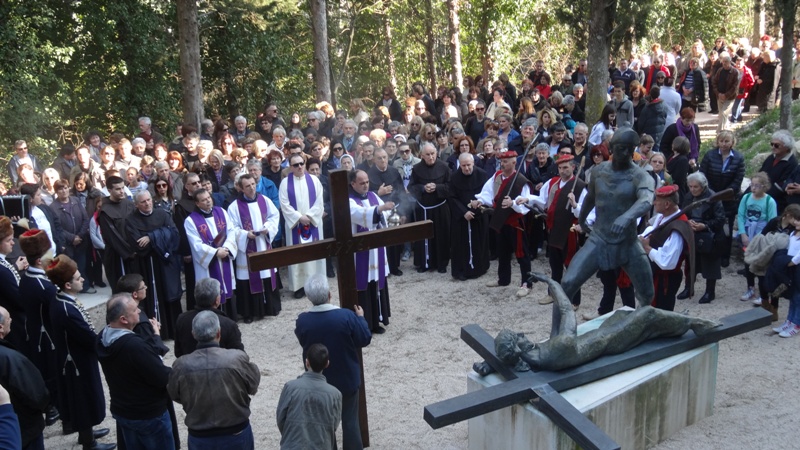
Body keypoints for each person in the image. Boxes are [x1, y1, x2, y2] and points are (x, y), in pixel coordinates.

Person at [485, 271, 719, 373]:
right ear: (517, 349)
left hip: (605, 332)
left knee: (624, 316)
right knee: (647, 314)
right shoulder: (557, 348)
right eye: (518, 337)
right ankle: (693, 323)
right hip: (614, 340)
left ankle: (676, 322)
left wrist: (488, 366)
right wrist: (550, 281)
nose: (522, 334)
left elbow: (506, 360)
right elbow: (566, 309)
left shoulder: (534, 356)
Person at [557, 129, 656, 317]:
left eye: (630, 149)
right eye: (621, 148)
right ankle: (559, 329)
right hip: (599, 238)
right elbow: (591, 197)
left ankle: (642, 323)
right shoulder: (599, 171)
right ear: (611, 148)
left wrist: (627, 216)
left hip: (628, 242)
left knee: (647, 293)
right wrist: (582, 218)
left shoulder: (640, 176)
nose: (625, 153)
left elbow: (646, 199)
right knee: (568, 283)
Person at [44, 255, 114, 450]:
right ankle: (88, 442)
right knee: (83, 399)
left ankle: (87, 432)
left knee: (85, 397)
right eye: (77, 278)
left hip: (78, 357)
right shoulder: (65, 309)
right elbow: (87, 336)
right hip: (76, 361)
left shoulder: (64, 300)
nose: (82, 279)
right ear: (67, 285)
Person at [294, 274, 371, 450]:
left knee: (324, 425)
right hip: (346, 379)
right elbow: (364, 338)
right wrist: (360, 318)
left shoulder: (303, 321)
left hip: (319, 381)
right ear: (329, 294)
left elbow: (303, 340)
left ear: (309, 298)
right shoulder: (346, 316)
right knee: (350, 423)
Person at [168, 310, 260, 449]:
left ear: (194, 334)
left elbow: (174, 393)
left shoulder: (181, 365)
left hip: (200, 435)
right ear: (219, 333)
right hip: (235, 432)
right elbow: (253, 385)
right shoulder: (237, 359)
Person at [96, 294, 174, 450]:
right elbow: (161, 376)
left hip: (123, 411)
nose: (139, 311)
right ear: (123, 319)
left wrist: (155, 338)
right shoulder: (134, 346)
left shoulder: (102, 338)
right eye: (135, 309)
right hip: (147, 415)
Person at [520, 154, 587, 307]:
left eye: (566, 167)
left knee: (571, 267)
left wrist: (575, 204)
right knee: (555, 265)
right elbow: (542, 200)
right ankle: (553, 294)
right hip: (553, 229)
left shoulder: (580, 186)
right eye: (560, 168)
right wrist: (528, 199)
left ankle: (574, 301)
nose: (562, 171)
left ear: (573, 167)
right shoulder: (552, 183)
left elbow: (585, 212)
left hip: (569, 231)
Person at [124, 191, 183, 339]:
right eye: (143, 202)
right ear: (136, 205)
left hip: (166, 263)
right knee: (152, 295)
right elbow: (138, 245)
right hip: (147, 264)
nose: (147, 203)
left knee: (170, 294)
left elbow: (174, 234)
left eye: (149, 200)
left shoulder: (162, 214)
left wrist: (151, 237)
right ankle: (158, 332)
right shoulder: (131, 220)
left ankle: (174, 330)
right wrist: (160, 237)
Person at [473, 151, 532, 296]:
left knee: (521, 253)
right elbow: (488, 193)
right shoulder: (497, 176)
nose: (502, 164)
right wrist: (480, 200)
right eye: (501, 161)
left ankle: (527, 283)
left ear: (514, 162)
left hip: (515, 222)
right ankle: (503, 279)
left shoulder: (520, 181)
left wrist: (513, 203)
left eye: (506, 161)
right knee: (502, 252)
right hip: (500, 220)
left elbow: (525, 203)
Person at [16, 229, 59, 428]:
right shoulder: (42, 285)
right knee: (52, 374)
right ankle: (54, 409)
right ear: (40, 260)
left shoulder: (28, 278)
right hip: (47, 336)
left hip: (37, 333)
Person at [227, 173, 281, 322]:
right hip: (246, 250)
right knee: (248, 279)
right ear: (240, 188)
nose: (251, 188)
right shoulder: (234, 207)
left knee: (266, 274)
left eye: (253, 184)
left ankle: (270, 307)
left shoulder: (265, 200)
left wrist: (267, 228)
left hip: (263, 244)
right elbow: (232, 228)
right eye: (247, 186)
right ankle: (249, 313)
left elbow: (274, 216)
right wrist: (245, 235)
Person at [348, 170, 394, 334]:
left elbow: (385, 212)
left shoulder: (373, 196)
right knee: (364, 285)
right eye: (362, 183)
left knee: (377, 282)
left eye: (367, 182)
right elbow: (358, 214)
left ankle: (378, 320)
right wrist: (379, 209)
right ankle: (365, 323)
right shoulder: (349, 200)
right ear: (353, 184)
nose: (366, 185)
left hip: (377, 249)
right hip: (361, 252)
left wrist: (384, 210)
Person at [0, 305, 49, 450]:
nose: (11, 320)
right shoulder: (10, 358)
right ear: (1, 327)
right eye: (8, 319)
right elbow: (36, 395)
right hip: (24, 430)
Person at [276, 343, 342, 450]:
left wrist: (290, 437)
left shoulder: (290, 387)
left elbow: (281, 419)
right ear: (327, 364)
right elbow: (333, 425)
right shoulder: (335, 394)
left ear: (307, 362)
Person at [184, 188, 238, 318]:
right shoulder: (191, 221)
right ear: (197, 203)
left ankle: (230, 318)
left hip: (224, 255)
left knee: (227, 286)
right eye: (203, 200)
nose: (208, 201)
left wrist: (226, 248)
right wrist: (215, 252)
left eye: (209, 198)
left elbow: (231, 231)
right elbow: (196, 244)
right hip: (209, 264)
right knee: (211, 292)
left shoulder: (222, 212)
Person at [279, 153, 326, 298]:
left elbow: (319, 201)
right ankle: (299, 286)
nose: (299, 167)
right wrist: (299, 218)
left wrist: (309, 217)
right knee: (298, 254)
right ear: (290, 167)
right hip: (295, 226)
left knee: (314, 253)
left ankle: (318, 285)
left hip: (313, 224)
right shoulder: (285, 183)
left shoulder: (314, 180)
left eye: (301, 163)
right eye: (296, 165)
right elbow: (284, 205)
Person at [699, 130, 745, 267]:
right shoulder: (710, 155)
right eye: (721, 141)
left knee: (726, 229)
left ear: (732, 142)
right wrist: (712, 193)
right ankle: (709, 253)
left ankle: (725, 256)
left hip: (729, 199)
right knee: (710, 224)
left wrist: (724, 193)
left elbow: (738, 179)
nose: (724, 144)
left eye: (727, 141)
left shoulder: (738, 158)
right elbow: (703, 174)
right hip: (711, 197)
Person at [408, 142, 451, 273]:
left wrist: (437, 187)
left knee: (441, 236)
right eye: (427, 154)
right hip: (423, 208)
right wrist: (423, 188)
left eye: (433, 154)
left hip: (440, 207)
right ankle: (424, 263)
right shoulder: (416, 169)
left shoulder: (444, 167)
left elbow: (451, 186)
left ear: (436, 153)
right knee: (423, 236)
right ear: (422, 155)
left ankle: (441, 263)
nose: (431, 157)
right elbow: (411, 187)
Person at [174, 278, 243, 357]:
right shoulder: (229, 325)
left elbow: (178, 353)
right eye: (220, 293)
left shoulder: (182, 320)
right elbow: (239, 356)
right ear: (217, 300)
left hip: (189, 364)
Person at [448, 153, 490, 281]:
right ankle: (462, 270)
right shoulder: (454, 177)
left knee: (479, 242)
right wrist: (464, 212)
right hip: (461, 217)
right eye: (463, 166)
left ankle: (479, 268)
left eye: (468, 165)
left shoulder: (482, 175)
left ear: (473, 163)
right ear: (459, 165)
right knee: (461, 244)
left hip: (478, 216)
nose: (466, 168)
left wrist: (477, 208)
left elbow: (487, 194)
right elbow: (452, 197)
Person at [737, 172, 777, 304]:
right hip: (748, 232)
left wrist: (761, 237)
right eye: (752, 185)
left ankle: (763, 293)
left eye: (757, 186)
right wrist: (743, 233)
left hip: (761, 235)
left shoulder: (769, 201)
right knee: (748, 261)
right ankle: (750, 288)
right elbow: (741, 216)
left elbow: (772, 222)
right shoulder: (746, 197)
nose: (753, 188)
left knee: (760, 264)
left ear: (764, 186)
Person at [367, 148, 407, 276]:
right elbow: (365, 195)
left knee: (394, 240)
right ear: (374, 160)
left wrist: (403, 213)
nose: (383, 160)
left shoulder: (394, 171)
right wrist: (378, 193)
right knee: (382, 241)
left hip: (395, 210)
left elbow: (401, 193)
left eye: (384, 157)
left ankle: (394, 267)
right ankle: (383, 268)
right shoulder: (368, 175)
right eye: (379, 158)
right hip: (379, 212)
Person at [98, 176, 135, 291]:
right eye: (118, 189)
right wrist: (129, 253)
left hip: (134, 252)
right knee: (123, 289)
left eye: (123, 188)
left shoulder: (129, 204)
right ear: (109, 191)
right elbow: (112, 237)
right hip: (117, 256)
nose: (122, 191)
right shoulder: (105, 211)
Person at [0, 216, 29, 352]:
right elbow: (19, 300)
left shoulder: (4, 264)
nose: (13, 243)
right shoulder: (2, 270)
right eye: (8, 240)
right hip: (15, 325)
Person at [174, 172, 202, 310]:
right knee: (193, 281)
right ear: (186, 186)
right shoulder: (181, 206)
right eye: (194, 183)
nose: (198, 185)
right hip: (192, 250)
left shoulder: (206, 199)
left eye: (199, 182)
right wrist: (186, 252)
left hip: (208, 247)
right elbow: (181, 231)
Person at [762, 130, 798, 213]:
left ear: (787, 147)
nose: (773, 147)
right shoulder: (771, 158)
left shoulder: (792, 163)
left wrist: (762, 196)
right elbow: (760, 174)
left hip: (776, 202)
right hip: (760, 193)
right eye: (772, 144)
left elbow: (781, 186)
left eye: (776, 145)